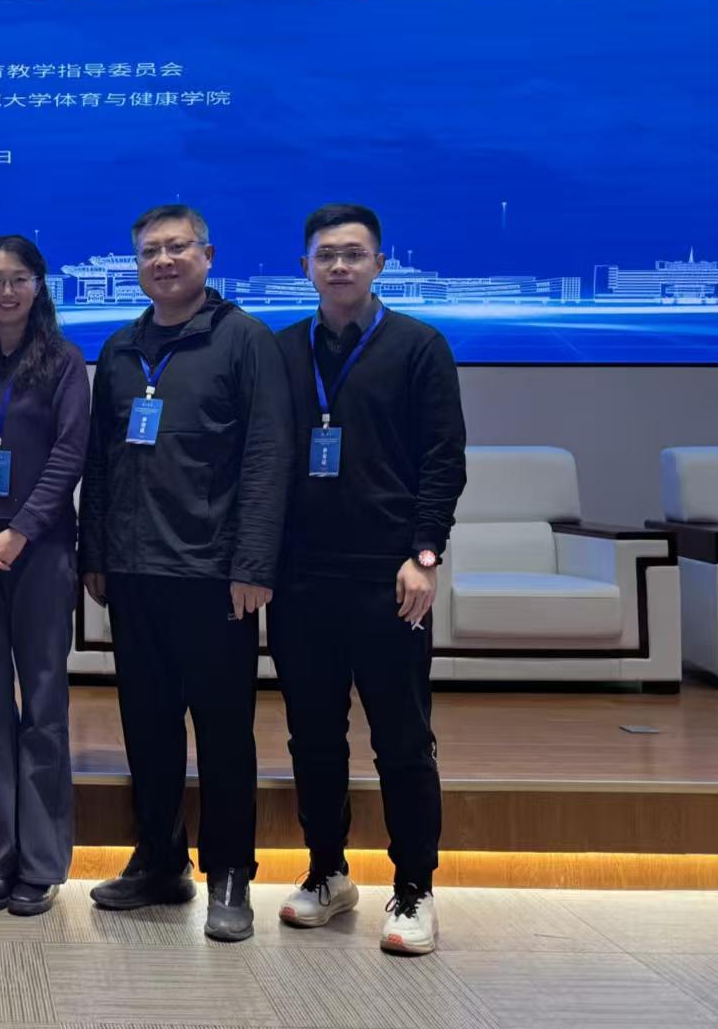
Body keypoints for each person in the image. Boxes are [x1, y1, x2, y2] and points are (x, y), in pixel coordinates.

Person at [78, 204, 292, 943]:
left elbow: (268, 456)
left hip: (214, 575)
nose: (163, 261)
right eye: (149, 251)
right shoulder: (121, 348)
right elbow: (101, 459)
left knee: (224, 732)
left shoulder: (244, 340)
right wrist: (95, 553)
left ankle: (230, 873)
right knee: (147, 727)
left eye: (176, 248)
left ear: (207, 255)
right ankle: (159, 863)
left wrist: (253, 563)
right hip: (134, 571)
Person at [269, 203, 466, 956]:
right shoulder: (282, 350)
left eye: (353, 253)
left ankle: (414, 887)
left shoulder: (418, 346)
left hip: (390, 578)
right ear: (305, 268)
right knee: (313, 738)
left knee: (402, 741)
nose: (340, 266)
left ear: (379, 263)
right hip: (300, 578)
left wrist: (424, 554)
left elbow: (443, 459)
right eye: (326, 255)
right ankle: (327, 872)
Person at [0, 236, 89, 917]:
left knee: (43, 703)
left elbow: (69, 453)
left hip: (42, 549)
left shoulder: (63, 361)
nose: (6, 291)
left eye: (19, 279)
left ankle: (42, 862)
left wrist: (21, 528)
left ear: (38, 285)